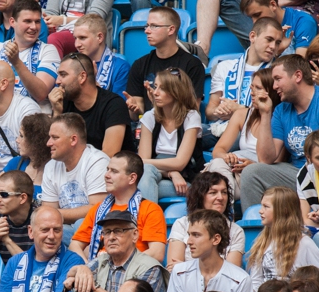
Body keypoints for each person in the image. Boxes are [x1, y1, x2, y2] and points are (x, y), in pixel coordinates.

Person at [239, 54, 319, 210]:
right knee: (252, 173)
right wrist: (265, 113)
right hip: (299, 174)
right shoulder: (281, 109)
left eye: (278, 79)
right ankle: (259, 230)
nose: (274, 86)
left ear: (298, 76)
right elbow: (265, 159)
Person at [65, 210, 171, 292]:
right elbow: (71, 275)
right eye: (107, 232)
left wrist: (93, 287)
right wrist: (81, 269)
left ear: (135, 235)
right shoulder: (101, 261)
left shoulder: (149, 268)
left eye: (118, 231)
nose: (111, 237)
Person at [165, 209, 254, 292]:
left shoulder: (241, 279)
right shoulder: (179, 272)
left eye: (196, 235)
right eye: (189, 235)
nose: (189, 241)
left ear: (216, 239)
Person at [72, 152, 165, 261]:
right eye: (108, 169)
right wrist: (89, 268)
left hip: (133, 274)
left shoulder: (151, 209)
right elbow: (74, 246)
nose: (106, 175)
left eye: (114, 171)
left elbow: (157, 253)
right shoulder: (98, 209)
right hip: (99, 273)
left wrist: (117, 266)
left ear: (132, 178)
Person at [205, 18, 282, 150]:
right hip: (220, 126)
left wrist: (240, 111)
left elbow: (276, 112)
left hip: (253, 131)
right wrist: (219, 111)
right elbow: (209, 111)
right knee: (189, 133)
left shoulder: (276, 73)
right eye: (269, 39)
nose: (273, 47)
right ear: (252, 36)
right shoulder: (224, 67)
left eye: (277, 43)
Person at [0, 0, 60, 111]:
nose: (33, 27)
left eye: (37, 21)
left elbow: (40, 94)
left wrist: (16, 62)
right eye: (27, 21)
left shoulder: (48, 51)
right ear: (12, 22)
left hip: (33, 119)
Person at [124, 7, 206, 121]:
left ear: (171, 30)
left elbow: (192, 111)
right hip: (147, 125)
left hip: (179, 128)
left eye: (154, 26)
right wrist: (135, 110)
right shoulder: (139, 64)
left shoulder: (192, 64)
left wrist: (160, 106)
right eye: (147, 26)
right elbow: (137, 115)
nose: (147, 31)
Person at [137, 69, 204, 201]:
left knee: (135, 188)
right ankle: (150, 220)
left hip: (186, 180)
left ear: (176, 92)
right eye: (155, 87)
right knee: (145, 175)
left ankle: (146, 220)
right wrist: (171, 173)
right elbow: (143, 165)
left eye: (162, 89)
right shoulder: (150, 117)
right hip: (157, 176)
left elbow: (180, 163)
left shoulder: (191, 117)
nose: (155, 93)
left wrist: (175, 171)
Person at [49, 53, 134, 156]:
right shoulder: (64, 102)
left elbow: (108, 155)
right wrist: (57, 111)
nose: (57, 81)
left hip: (109, 170)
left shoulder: (114, 105)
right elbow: (53, 148)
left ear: (82, 77)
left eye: (63, 75)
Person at [42, 113, 109, 245]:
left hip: (100, 230)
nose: (48, 143)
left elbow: (97, 209)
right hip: (65, 228)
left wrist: (55, 213)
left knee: (80, 223)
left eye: (55, 138)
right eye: (49, 137)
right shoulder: (51, 166)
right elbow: (48, 213)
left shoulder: (97, 161)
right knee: (40, 231)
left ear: (73, 140)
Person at [248, 186, 319, 292]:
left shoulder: (304, 243)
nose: (260, 211)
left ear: (283, 210)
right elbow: (256, 281)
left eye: (266, 207)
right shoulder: (262, 242)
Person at [167, 172, 245, 270]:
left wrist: (185, 268)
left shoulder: (236, 231)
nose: (220, 197)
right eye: (213, 192)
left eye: (224, 192)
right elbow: (173, 269)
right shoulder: (182, 224)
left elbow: (231, 273)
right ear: (200, 197)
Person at [73, 14, 130, 97]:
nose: (76, 44)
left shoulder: (120, 67)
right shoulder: (71, 64)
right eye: (75, 38)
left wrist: (96, 89)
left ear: (99, 37)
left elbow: (119, 106)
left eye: (82, 38)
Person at [0, 113, 52, 203]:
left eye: (21, 136)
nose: (17, 140)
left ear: (35, 141)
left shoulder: (56, 169)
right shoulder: (15, 163)